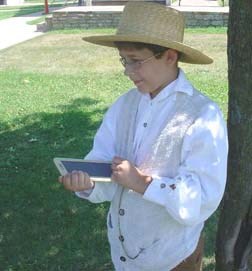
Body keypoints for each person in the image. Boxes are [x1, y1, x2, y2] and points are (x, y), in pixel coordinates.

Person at [58, 2, 228, 270]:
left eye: (136, 61)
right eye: (124, 60)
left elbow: (203, 196)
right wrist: (88, 183)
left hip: (173, 257)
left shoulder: (202, 115)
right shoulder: (124, 105)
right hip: (125, 252)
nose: (127, 71)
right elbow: (106, 163)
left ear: (170, 57)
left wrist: (142, 183)